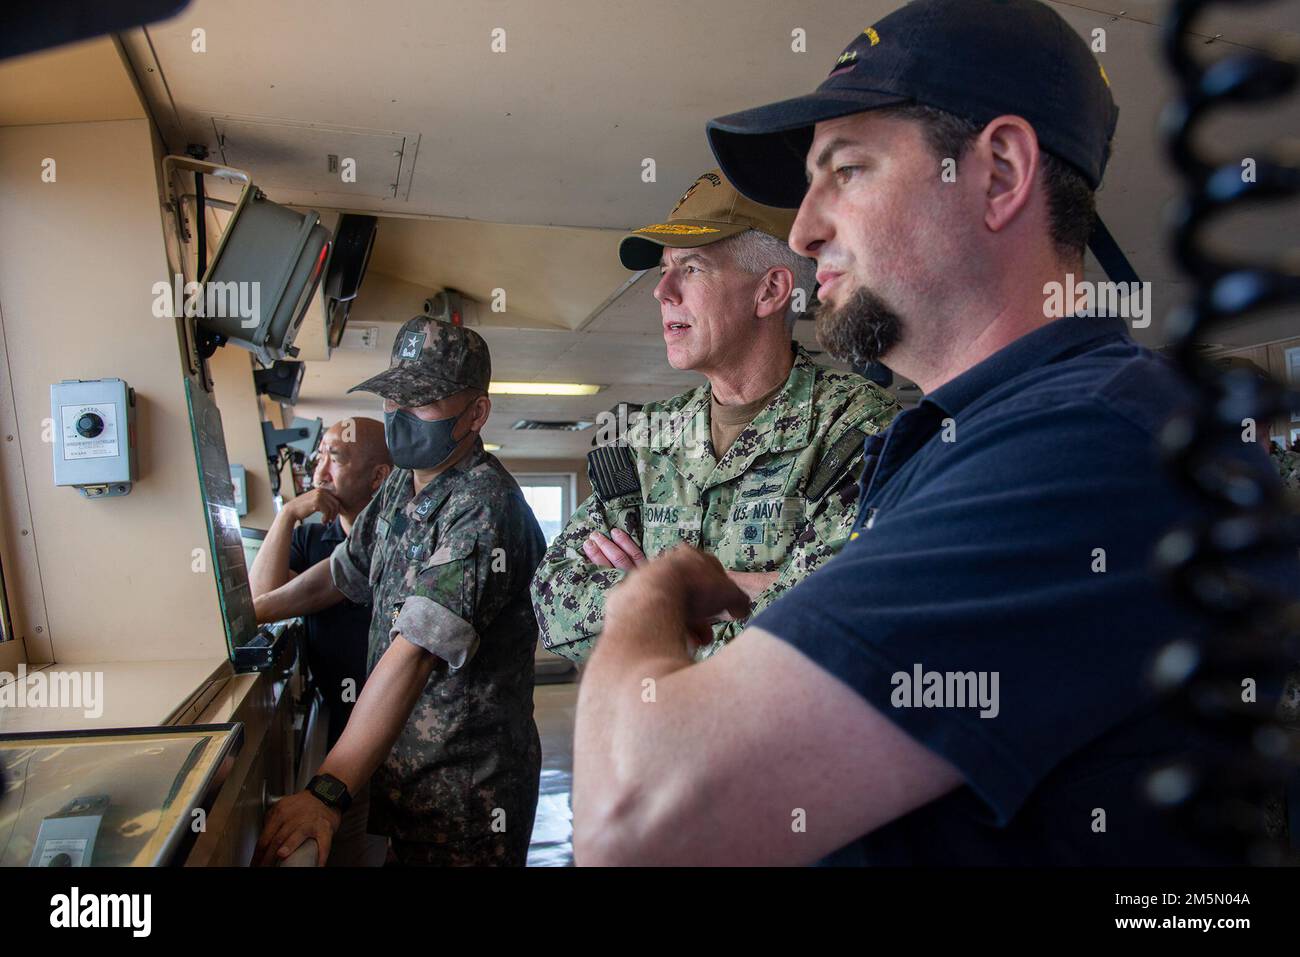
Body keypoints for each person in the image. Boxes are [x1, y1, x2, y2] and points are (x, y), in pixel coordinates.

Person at [569, 0, 1300, 866]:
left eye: (845, 170)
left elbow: (637, 817)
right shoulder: (958, 438)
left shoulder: (1089, 445)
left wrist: (646, 597)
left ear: (997, 174)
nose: (802, 232)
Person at [531, 168, 898, 662]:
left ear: (769, 291)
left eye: (692, 268)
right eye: (664, 270)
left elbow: (845, 614)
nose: (662, 292)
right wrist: (730, 593)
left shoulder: (857, 428)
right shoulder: (647, 438)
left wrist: (654, 598)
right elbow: (552, 597)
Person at [253, 317, 546, 867]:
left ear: (476, 414)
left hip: (468, 792)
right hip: (406, 773)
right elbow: (344, 571)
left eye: (422, 403)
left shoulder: (484, 506)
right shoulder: (398, 486)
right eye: (393, 400)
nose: (400, 417)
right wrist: (252, 614)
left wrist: (326, 792)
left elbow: (415, 652)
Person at [249, 416, 392, 866]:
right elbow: (261, 601)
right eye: (320, 457)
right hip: (339, 730)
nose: (321, 471)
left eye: (337, 457)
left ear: (378, 476)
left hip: (393, 733)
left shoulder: (401, 540)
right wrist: (287, 515)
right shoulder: (313, 537)